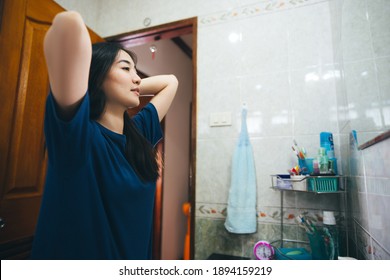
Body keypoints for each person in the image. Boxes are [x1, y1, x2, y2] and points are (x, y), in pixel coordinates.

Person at [30, 11, 178, 259]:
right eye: (125, 68)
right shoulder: (78, 135)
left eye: (136, 71)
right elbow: (69, 26)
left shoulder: (138, 132)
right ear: (96, 77)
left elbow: (171, 82)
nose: (137, 77)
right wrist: (89, 78)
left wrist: (129, 81)